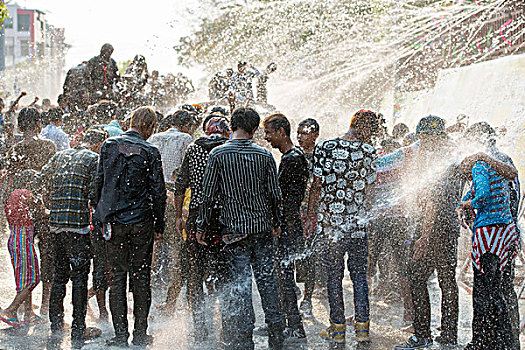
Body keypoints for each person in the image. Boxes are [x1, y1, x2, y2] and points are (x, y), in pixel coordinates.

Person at [197, 107, 284, 350]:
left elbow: (208, 195)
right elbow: (275, 195)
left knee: (241, 285)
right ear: (255, 129)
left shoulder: (218, 155)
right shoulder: (265, 156)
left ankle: (245, 339)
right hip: (261, 229)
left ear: (233, 126)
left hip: (233, 231)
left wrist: (201, 226)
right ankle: (277, 332)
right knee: (267, 282)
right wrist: (276, 222)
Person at [306, 110, 379, 343]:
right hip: (357, 227)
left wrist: (311, 216)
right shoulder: (368, 152)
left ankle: (337, 329)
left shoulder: (325, 147)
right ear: (362, 127)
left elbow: (316, 186)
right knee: (358, 276)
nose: (372, 136)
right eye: (371, 130)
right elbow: (370, 193)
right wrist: (368, 218)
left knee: (334, 277)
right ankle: (362, 330)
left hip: (331, 227)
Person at [95, 106, 166, 347]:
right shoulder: (150, 151)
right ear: (150, 127)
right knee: (141, 277)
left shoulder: (108, 146)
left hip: (114, 221)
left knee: (116, 278)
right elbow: (158, 192)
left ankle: (119, 336)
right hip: (140, 222)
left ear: (132, 121)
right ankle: (140, 334)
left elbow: (99, 184)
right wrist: (160, 224)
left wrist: (100, 215)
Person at [395, 116, 464, 349]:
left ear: (429, 137)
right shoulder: (452, 159)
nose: (422, 143)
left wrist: (424, 236)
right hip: (449, 228)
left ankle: (422, 335)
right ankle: (449, 335)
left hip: (431, 228)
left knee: (416, 279)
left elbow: (434, 199)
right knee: (447, 281)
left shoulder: (433, 161)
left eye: (424, 137)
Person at [40, 127, 109, 348]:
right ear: (98, 144)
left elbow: (41, 179)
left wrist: (51, 204)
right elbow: (93, 193)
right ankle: (79, 328)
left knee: (59, 275)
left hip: (56, 225)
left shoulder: (60, 155)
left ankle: (56, 324)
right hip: (78, 228)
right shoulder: (94, 159)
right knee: (79, 277)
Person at [172, 114, 231, 340]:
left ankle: (199, 327)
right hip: (224, 219)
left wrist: (178, 216)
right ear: (225, 131)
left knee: (195, 274)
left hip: (196, 218)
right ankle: (226, 324)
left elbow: (180, 184)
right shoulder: (229, 149)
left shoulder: (194, 149)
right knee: (225, 271)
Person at [463, 122, 521, 349]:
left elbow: (482, 195)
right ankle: (508, 341)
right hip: (507, 234)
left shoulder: (483, 163)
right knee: (503, 289)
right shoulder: (504, 160)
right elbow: (511, 197)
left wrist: (467, 204)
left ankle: (487, 341)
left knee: (488, 291)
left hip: (491, 236)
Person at [6, 107, 56, 318]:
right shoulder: (48, 146)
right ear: (39, 124)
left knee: (26, 259)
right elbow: (52, 179)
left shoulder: (15, 150)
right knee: (47, 254)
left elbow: (9, 184)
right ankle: (45, 305)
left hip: (21, 210)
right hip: (43, 208)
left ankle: (28, 309)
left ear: (19, 126)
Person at [263, 113, 308, 341]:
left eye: (269, 133)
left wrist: (279, 225)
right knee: (282, 277)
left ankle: (295, 326)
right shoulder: (292, 156)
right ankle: (283, 321)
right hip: (289, 226)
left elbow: (289, 201)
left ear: (281, 132)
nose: (266, 138)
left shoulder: (292, 159)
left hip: (287, 228)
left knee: (284, 277)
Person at [148, 110, 194, 313]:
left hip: (152, 198)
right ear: (186, 126)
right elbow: (186, 172)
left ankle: (144, 303)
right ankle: (170, 303)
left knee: (151, 250)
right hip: (175, 198)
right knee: (177, 253)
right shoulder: (186, 139)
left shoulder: (154, 137)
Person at [0, 170, 44, 326]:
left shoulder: (11, 194)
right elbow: (43, 210)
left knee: (24, 278)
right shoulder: (25, 193)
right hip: (23, 240)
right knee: (33, 278)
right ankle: (11, 310)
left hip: (14, 239)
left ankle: (28, 312)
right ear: (29, 183)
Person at [294, 118, 322, 318]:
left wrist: (313, 214)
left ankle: (307, 298)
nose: (300, 137)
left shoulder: (321, 157)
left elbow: (319, 186)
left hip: (312, 214)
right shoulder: (293, 155)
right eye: (298, 133)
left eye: (304, 133)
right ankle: (295, 290)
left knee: (310, 257)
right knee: (293, 256)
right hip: (295, 213)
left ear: (315, 135)